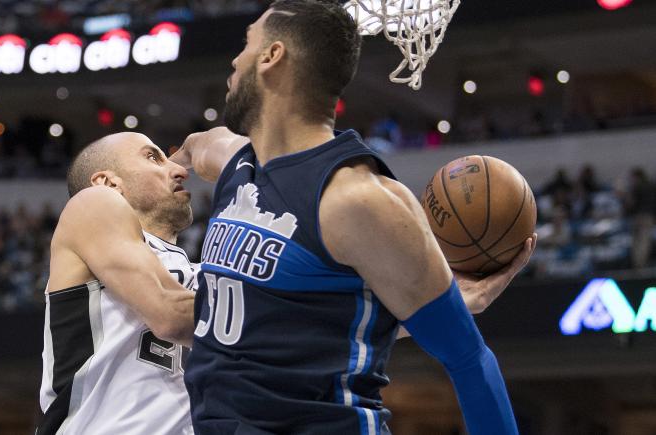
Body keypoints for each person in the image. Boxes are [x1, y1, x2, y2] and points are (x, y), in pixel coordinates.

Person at [170, 1, 537, 434]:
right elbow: (196, 145)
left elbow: (469, 359)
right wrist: (154, 182)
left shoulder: (357, 200)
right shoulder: (235, 160)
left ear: (272, 58)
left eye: (248, 42)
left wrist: (449, 307)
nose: (235, 59)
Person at [36, 133, 196, 435]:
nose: (180, 170)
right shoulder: (92, 204)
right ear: (108, 183)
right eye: (153, 157)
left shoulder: (197, 272)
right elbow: (170, 314)